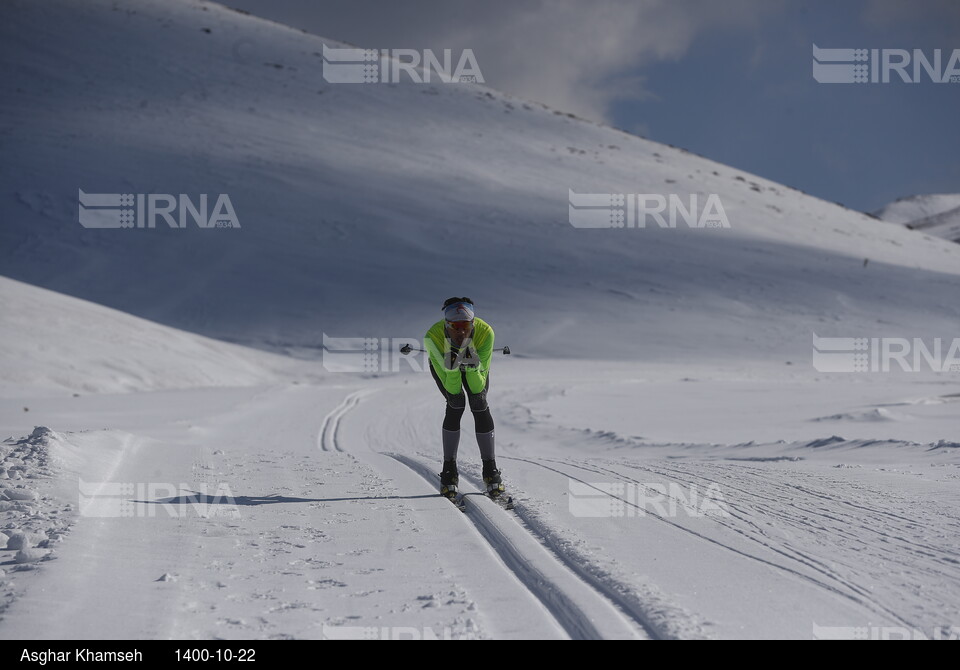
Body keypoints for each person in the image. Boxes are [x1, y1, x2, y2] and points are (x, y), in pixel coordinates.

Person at [424, 297, 503, 499]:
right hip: (445, 366)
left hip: (473, 363)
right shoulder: (432, 337)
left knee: (479, 402)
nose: (460, 332)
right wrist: (452, 369)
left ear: (473, 323)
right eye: (455, 327)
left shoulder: (486, 333)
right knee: (456, 404)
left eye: (466, 326)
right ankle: (449, 470)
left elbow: (477, 387)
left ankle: (490, 470)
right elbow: (453, 390)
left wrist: (474, 366)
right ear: (446, 325)